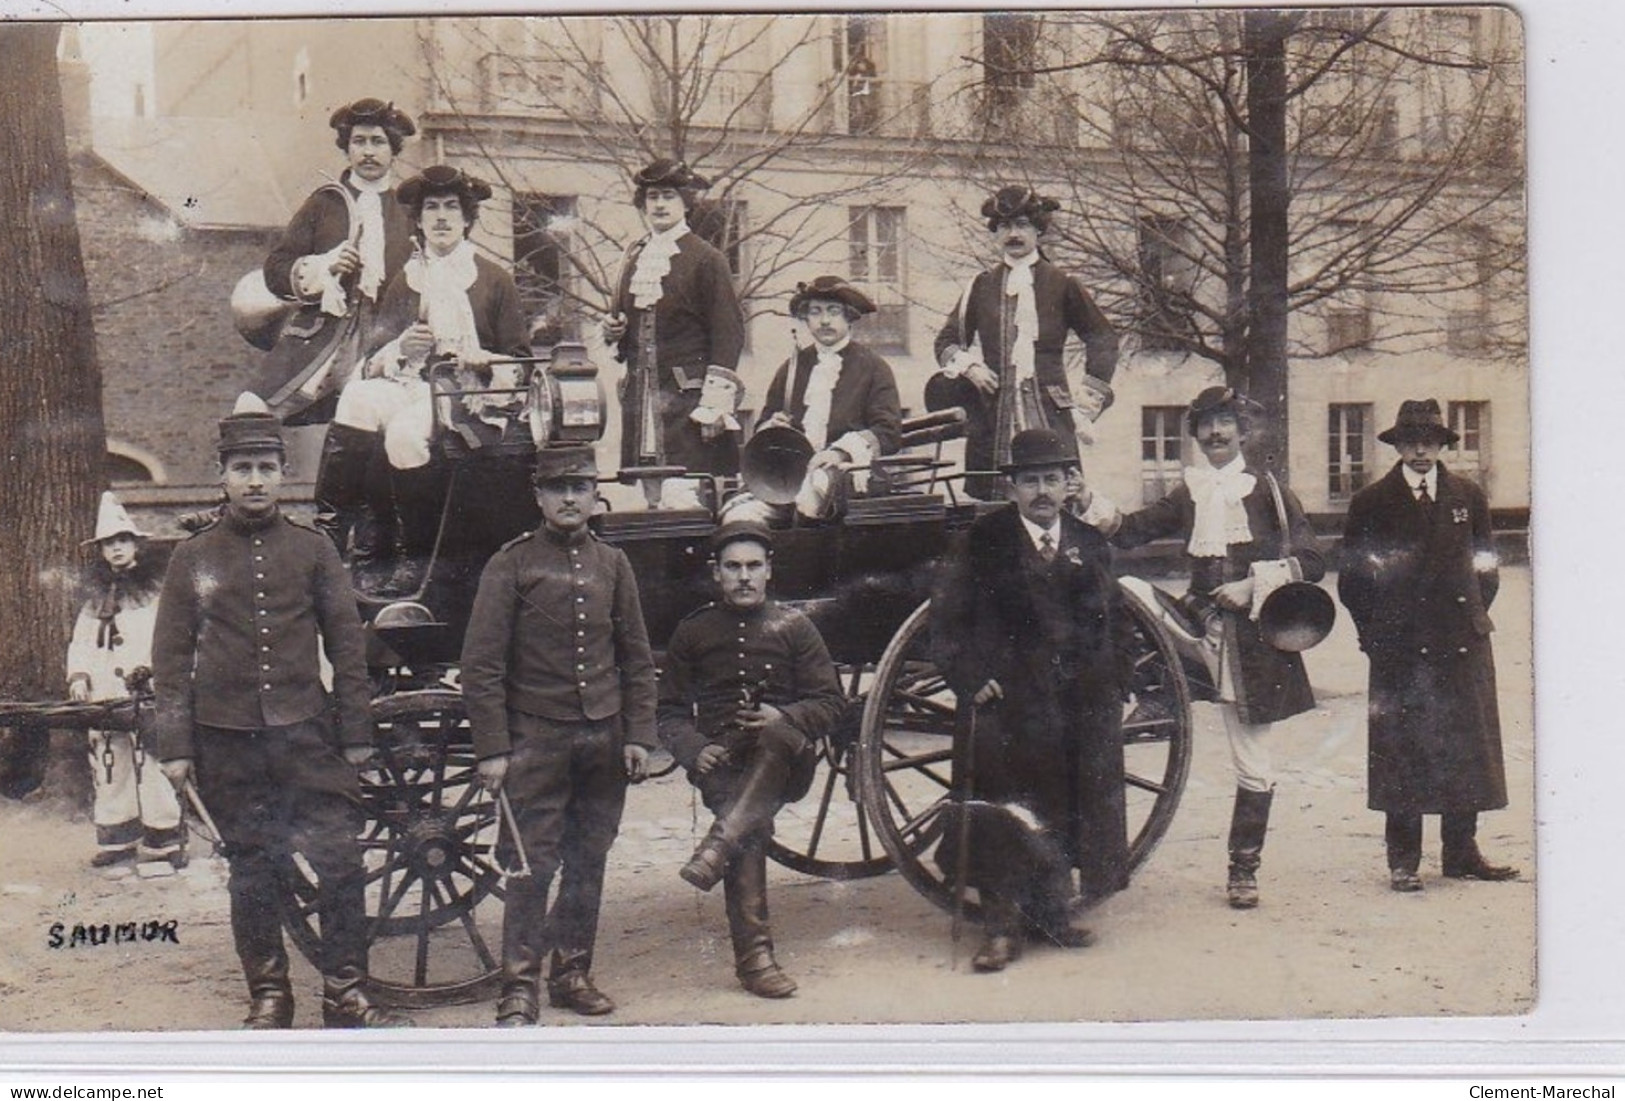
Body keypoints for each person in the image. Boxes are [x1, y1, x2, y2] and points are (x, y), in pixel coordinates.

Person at [152, 393, 410, 1029]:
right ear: (223, 476)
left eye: (266, 467)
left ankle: (345, 990)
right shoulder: (193, 557)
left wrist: (355, 735)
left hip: (306, 735)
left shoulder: (314, 551)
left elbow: (348, 649)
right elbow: (170, 661)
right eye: (242, 469)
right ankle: (269, 993)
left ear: (281, 472)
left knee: (340, 861)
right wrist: (177, 748)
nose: (255, 481)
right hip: (227, 742)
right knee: (253, 869)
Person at [1094, 386, 1326, 910]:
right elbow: (1130, 532)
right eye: (1206, 426)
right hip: (1197, 631)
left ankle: (1243, 870)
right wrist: (1082, 499)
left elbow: (1312, 561)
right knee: (1128, 590)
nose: (1215, 433)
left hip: (1254, 644)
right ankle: (1157, 690)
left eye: (1225, 424)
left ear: (1244, 432)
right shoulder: (1190, 491)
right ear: (1195, 436)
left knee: (1255, 764)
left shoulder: (1269, 491)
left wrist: (1252, 584)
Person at [460, 445, 656, 1024]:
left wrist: (638, 734)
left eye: (580, 486)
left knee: (589, 855)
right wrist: (494, 748)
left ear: (596, 494)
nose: (570, 498)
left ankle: (572, 974)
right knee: (530, 862)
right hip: (535, 738)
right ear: (538, 496)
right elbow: (482, 665)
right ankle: (518, 987)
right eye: (558, 488)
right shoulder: (511, 564)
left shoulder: (613, 564)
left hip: (601, 736)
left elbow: (637, 658)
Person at [929, 428, 1135, 973]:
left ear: (1069, 485)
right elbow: (945, 621)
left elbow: (1115, 620)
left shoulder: (1089, 543)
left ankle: (1052, 914)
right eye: (1030, 481)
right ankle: (1001, 927)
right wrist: (970, 677)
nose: (1042, 491)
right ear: (1012, 487)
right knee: (1005, 808)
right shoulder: (983, 540)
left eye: (1051, 479)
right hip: (1009, 700)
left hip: (1077, 699)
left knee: (1069, 801)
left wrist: (1123, 685)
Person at [657, 521, 846, 997]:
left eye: (753, 566)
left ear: (768, 571)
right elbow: (670, 712)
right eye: (733, 567)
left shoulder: (795, 628)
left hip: (789, 762)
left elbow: (831, 703)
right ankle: (756, 960)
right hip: (723, 763)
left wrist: (782, 714)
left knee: (776, 739)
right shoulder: (693, 632)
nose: (744, 576)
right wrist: (695, 750)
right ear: (716, 574)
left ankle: (716, 847)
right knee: (748, 821)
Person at [1337, 399, 1518, 892]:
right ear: (1396, 445)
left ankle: (1462, 851)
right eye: (1410, 440)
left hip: (1461, 639)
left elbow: (1486, 566)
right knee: (1402, 747)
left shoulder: (1467, 496)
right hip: (1400, 645)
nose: (1420, 450)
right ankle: (1404, 859)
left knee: (1465, 744)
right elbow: (1353, 578)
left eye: (1430, 440)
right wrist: (1375, 635)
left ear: (1442, 445)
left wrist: (1474, 614)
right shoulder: (1371, 501)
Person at [328, 165, 530, 588]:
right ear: (418, 220)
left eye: (451, 208)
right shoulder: (408, 279)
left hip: (469, 394)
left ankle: (413, 555)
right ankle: (336, 529)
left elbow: (520, 363)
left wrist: (481, 359)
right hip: (415, 385)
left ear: (467, 218)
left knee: (402, 434)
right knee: (356, 398)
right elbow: (372, 357)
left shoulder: (492, 279)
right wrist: (402, 349)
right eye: (431, 209)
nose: (441, 217)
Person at [929, 186, 1118, 500]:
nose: (1013, 234)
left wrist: (1086, 404)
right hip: (993, 419)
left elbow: (1103, 338)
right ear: (995, 232)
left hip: (1050, 414)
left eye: (1022, 225)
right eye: (1004, 226)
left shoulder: (1062, 283)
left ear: (1038, 229)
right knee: (994, 511)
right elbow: (947, 342)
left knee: (1057, 498)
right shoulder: (981, 285)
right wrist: (971, 367)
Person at [258, 97, 417, 426]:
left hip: (391, 338)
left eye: (378, 142)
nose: (368, 152)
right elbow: (275, 269)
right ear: (347, 148)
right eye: (359, 142)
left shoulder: (410, 209)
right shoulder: (324, 204)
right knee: (255, 410)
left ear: (393, 149)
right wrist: (323, 267)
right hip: (325, 337)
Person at [602, 158, 747, 507]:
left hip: (688, 404)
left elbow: (728, 334)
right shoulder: (633, 258)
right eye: (652, 197)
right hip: (642, 402)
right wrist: (613, 331)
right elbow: (624, 329)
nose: (660, 205)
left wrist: (714, 407)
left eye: (668, 196)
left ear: (685, 202)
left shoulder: (707, 259)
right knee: (648, 496)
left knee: (686, 500)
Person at [67, 491, 184, 876]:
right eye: (109, 544)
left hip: (144, 688)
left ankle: (164, 837)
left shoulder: (154, 594)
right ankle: (118, 838)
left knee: (152, 761)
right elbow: (82, 640)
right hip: (104, 691)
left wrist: (153, 672)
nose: (116, 549)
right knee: (110, 763)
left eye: (122, 541)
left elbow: (168, 637)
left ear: (135, 544)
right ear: (101, 551)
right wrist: (80, 675)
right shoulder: (95, 598)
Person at [726, 276, 903, 523]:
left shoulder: (873, 367)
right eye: (815, 312)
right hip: (788, 477)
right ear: (806, 319)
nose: (825, 320)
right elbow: (764, 423)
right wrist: (772, 426)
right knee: (741, 516)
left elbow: (888, 432)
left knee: (813, 493)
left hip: (849, 478)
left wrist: (841, 453)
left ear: (849, 317)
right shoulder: (791, 368)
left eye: (833, 312)